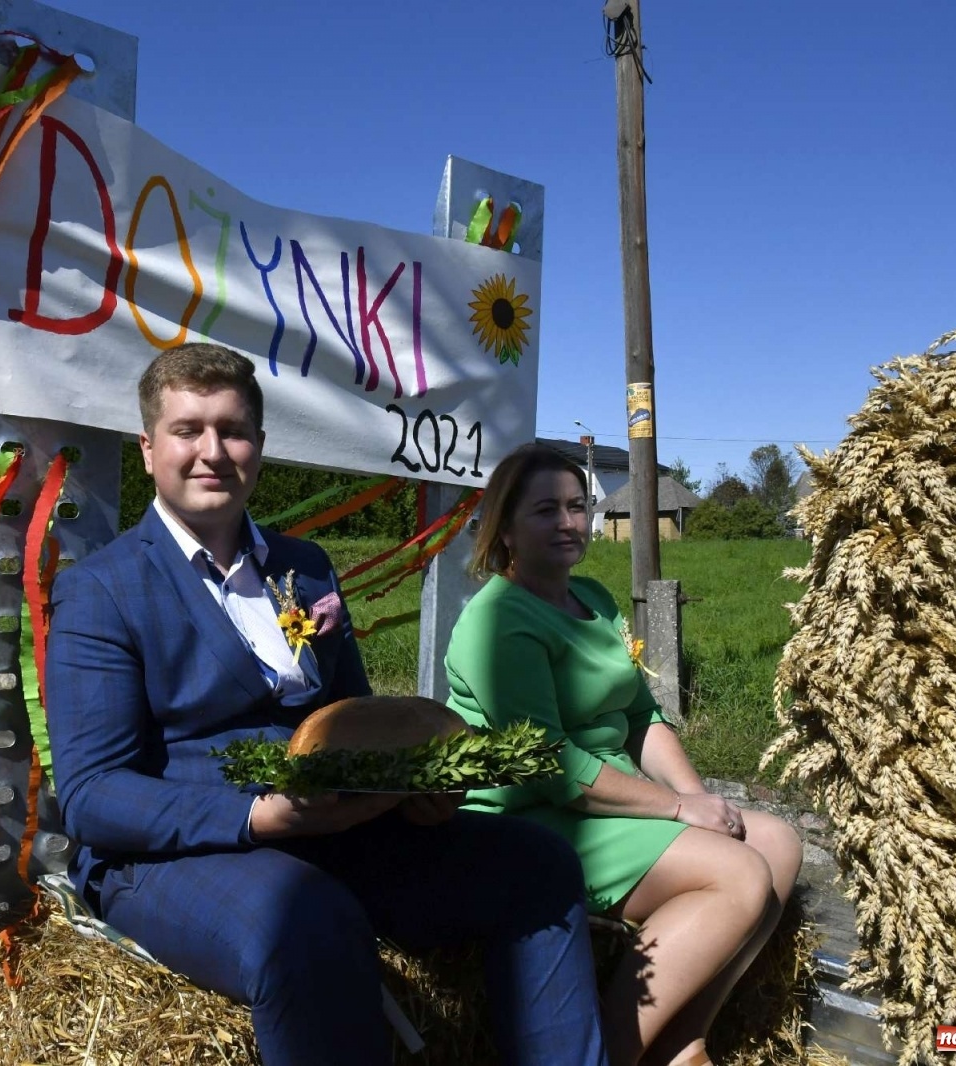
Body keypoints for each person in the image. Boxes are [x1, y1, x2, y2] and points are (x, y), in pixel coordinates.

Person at [45, 343, 606, 1066]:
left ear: (260, 447)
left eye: (234, 430)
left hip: (331, 829)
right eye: (188, 430)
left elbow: (355, 719)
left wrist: (412, 788)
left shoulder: (304, 566)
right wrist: (256, 816)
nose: (213, 451)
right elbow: (93, 796)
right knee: (308, 920)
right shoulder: (102, 589)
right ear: (149, 449)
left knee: (539, 864)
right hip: (172, 856)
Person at [443, 443, 804, 1066]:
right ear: (503, 527)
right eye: (545, 509)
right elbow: (551, 765)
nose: (568, 522)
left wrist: (697, 799)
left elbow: (642, 716)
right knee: (740, 872)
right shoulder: (498, 620)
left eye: (578, 506)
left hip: (604, 801)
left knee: (777, 845)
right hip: (535, 818)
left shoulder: (592, 598)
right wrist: (672, 809)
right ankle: (613, 1051)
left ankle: (684, 1040)